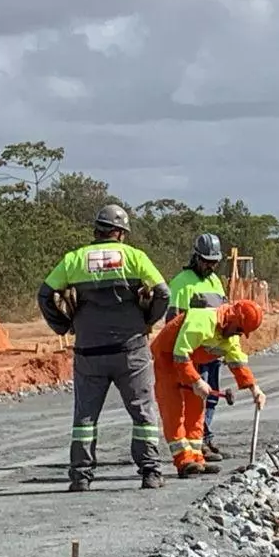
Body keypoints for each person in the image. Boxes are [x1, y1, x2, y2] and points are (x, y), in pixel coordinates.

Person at [37, 204, 171, 492]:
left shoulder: (75, 259)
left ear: (97, 229)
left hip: (89, 352)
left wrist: (62, 325)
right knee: (143, 413)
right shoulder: (135, 257)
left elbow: (46, 293)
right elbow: (163, 292)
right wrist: (147, 319)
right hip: (131, 350)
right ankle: (150, 473)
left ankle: (81, 477)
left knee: (85, 417)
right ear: (120, 233)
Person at [149, 299, 266, 477]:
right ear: (232, 317)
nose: (239, 335)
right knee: (173, 410)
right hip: (167, 358)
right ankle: (183, 460)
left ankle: (197, 459)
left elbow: (237, 363)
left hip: (189, 362)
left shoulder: (230, 335)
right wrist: (196, 381)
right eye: (240, 329)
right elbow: (180, 354)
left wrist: (254, 388)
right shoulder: (202, 321)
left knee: (196, 408)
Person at [166, 233, 230, 461]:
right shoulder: (181, 282)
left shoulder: (215, 281)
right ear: (196, 257)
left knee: (211, 395)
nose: (210, 266)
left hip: (213, 352)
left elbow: (225, 314)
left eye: (214, 262)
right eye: (206, 261)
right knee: (196, 397)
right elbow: (173, 321)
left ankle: (205, 436)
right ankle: (198, 442)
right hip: (193, 352)